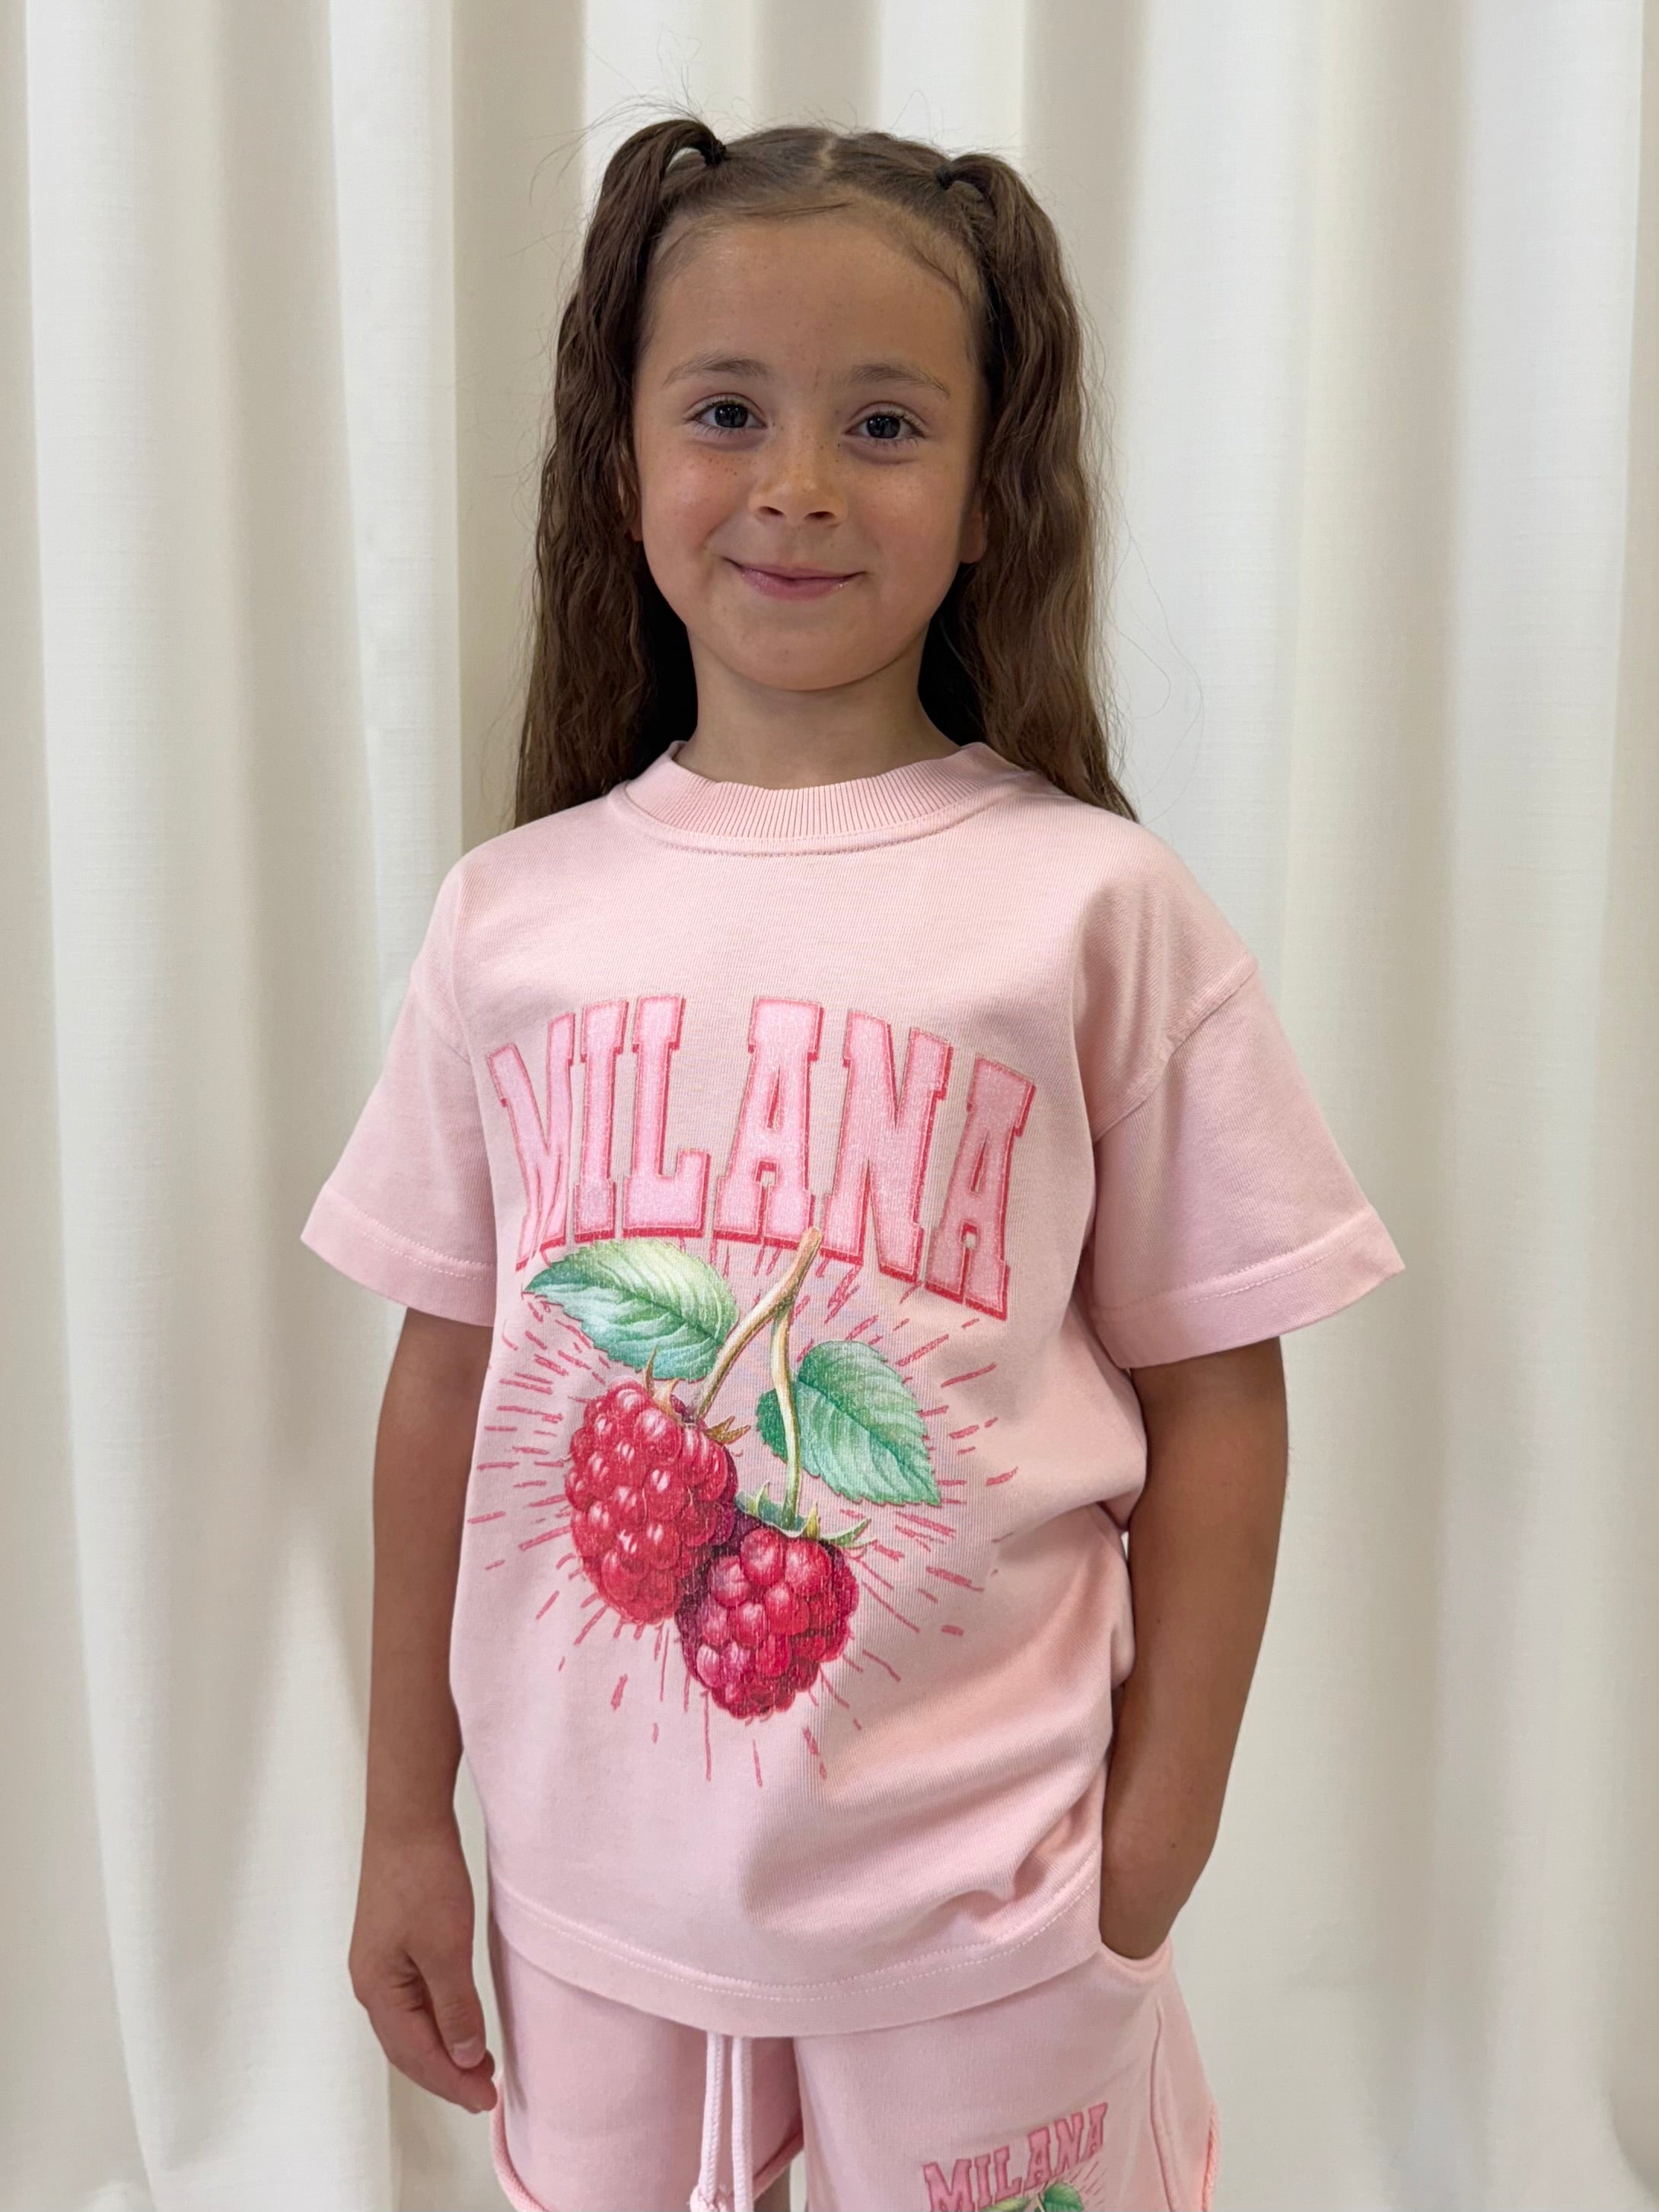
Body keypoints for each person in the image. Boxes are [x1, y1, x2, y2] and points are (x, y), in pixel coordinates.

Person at [301, 114, 1405, 2212]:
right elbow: (445, 1382)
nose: (798, 481)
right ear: (619, 462)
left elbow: (1218, 1393)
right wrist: (402, 1821)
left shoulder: (1091, 907)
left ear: (989, 495)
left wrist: (1152, 1844)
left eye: (882, 423)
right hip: (588, 1902)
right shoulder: (508, 919)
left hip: (987, 1905)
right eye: (726, 410)